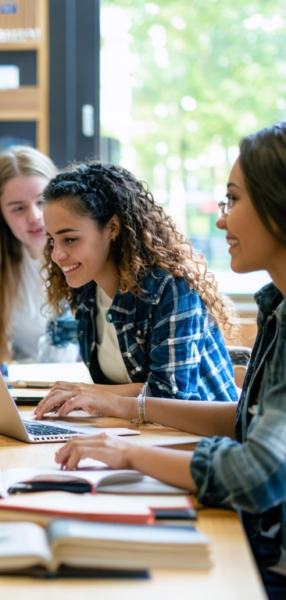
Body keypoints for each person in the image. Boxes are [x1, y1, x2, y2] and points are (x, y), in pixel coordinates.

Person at [49, 122, 286, 599]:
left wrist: (130, 452)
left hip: (267, 559)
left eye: (232, 201)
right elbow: (244, 422)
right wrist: (125, 410)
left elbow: (259, 474)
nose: (221, 221)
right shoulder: (275, 308)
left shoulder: (172, 288)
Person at [35, 161, 237, 409]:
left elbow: (171, 395)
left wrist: (87, 392)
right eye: (52, 240)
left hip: (202, 440)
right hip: (137, 434)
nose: (56, 255)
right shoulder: (84, 290)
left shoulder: (171, 288)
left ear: (113, 227)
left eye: (69, 239)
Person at [0, 146, 79, 364]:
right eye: (18, 209)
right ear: (0, 213)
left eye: (42, 202)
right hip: (24, 385)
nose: (34, 217)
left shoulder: (85, 257)